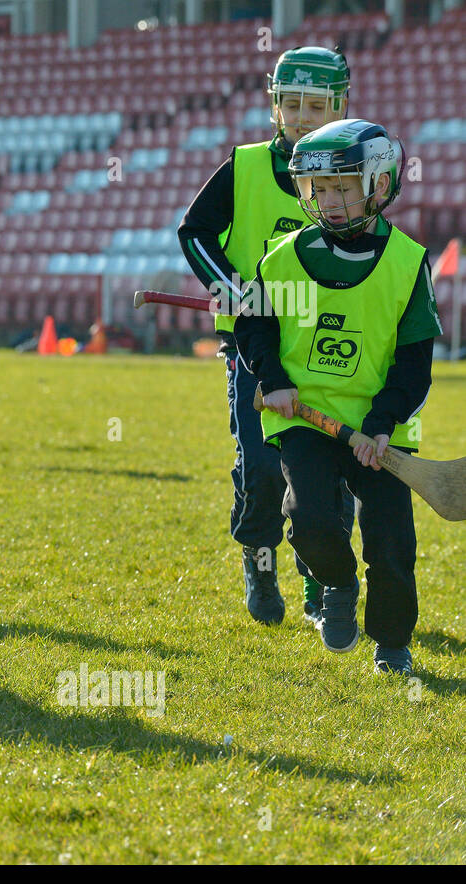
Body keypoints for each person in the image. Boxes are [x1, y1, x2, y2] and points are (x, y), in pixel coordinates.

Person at [235, 119, 437, 676]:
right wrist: (271, 376)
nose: (330, 201)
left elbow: (414, 362)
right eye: (319, 189)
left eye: (344, 188)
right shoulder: (280, 259)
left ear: (378, 184)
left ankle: (392, 644)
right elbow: (254, 325)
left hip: (380, 429)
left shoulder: (407, 263)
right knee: (309, 521)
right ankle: (338, 583)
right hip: (305, 420)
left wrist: (381, 422)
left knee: (391, 543)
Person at [178, 47, 355, 626]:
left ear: (340, 107)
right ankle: (259, 559)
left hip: (328, 351)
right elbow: (195, 230)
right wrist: (228, 286)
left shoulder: (354, 177)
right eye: (292, 104)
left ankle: (319, 576)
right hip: (255, 349)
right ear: (274, 105)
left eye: (317, 106)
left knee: (329, 474)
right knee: (259, 466)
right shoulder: (246, 166)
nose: (303, 117)